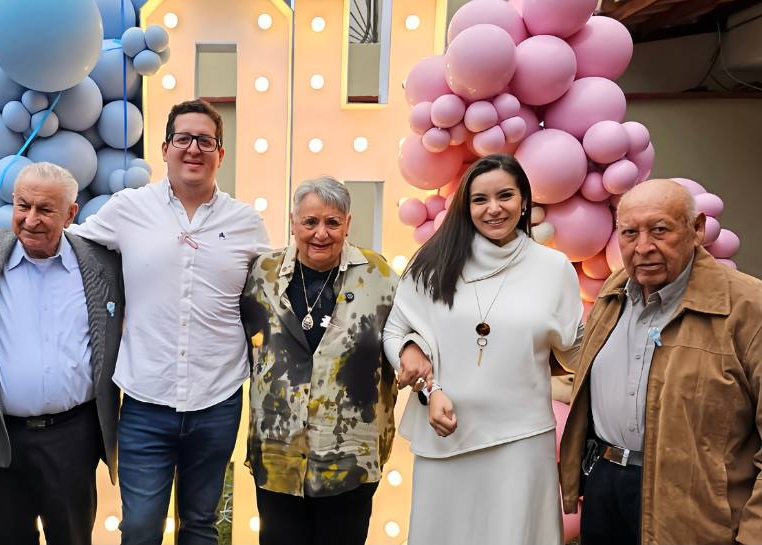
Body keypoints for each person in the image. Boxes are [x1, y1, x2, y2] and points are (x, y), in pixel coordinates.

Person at [70, 99, 269, 545]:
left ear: (221, 153)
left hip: (217, 401)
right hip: (145, 402)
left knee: (200, 526)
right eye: (183, 138)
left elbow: (275, 290)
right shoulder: (128, 209)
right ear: (164, 148)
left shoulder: (245, 223)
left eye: (206, 140)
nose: (193, 149)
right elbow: (70, 248)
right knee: (140, 528)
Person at [383, 154, 582, 545]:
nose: (494, 209)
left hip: (522, 441)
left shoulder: (554, 268)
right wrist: (417, 367)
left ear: (524, 200)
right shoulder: (435, 262)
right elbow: (396, 331)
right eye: (480, 200)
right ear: (466, 206)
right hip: (446, 435)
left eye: (505, 195)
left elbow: (576, 351)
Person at [560, 179, 762, 545]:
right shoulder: (613, 292)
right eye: (629, 233)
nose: (643, 247)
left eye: (659, 230)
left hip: (694, 505)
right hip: (607, 485)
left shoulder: (749, 306)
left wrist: (754, 535)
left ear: (696, 229)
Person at [0, 162, 124, 545]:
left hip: (73, 436)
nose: (31, 219)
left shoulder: (104, 263)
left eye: (45, 209)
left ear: (71, 213)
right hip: (2, 437)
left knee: (71, 538)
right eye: (23, 206)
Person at [240, 176, 398, 545]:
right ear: (294, 222)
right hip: (278, 451)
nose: (321, 233)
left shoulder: (381, 276)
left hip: (350, 456)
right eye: (310, 222)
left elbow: (407, 334)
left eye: (332, 222)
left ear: (347, 223)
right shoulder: (260, 273)